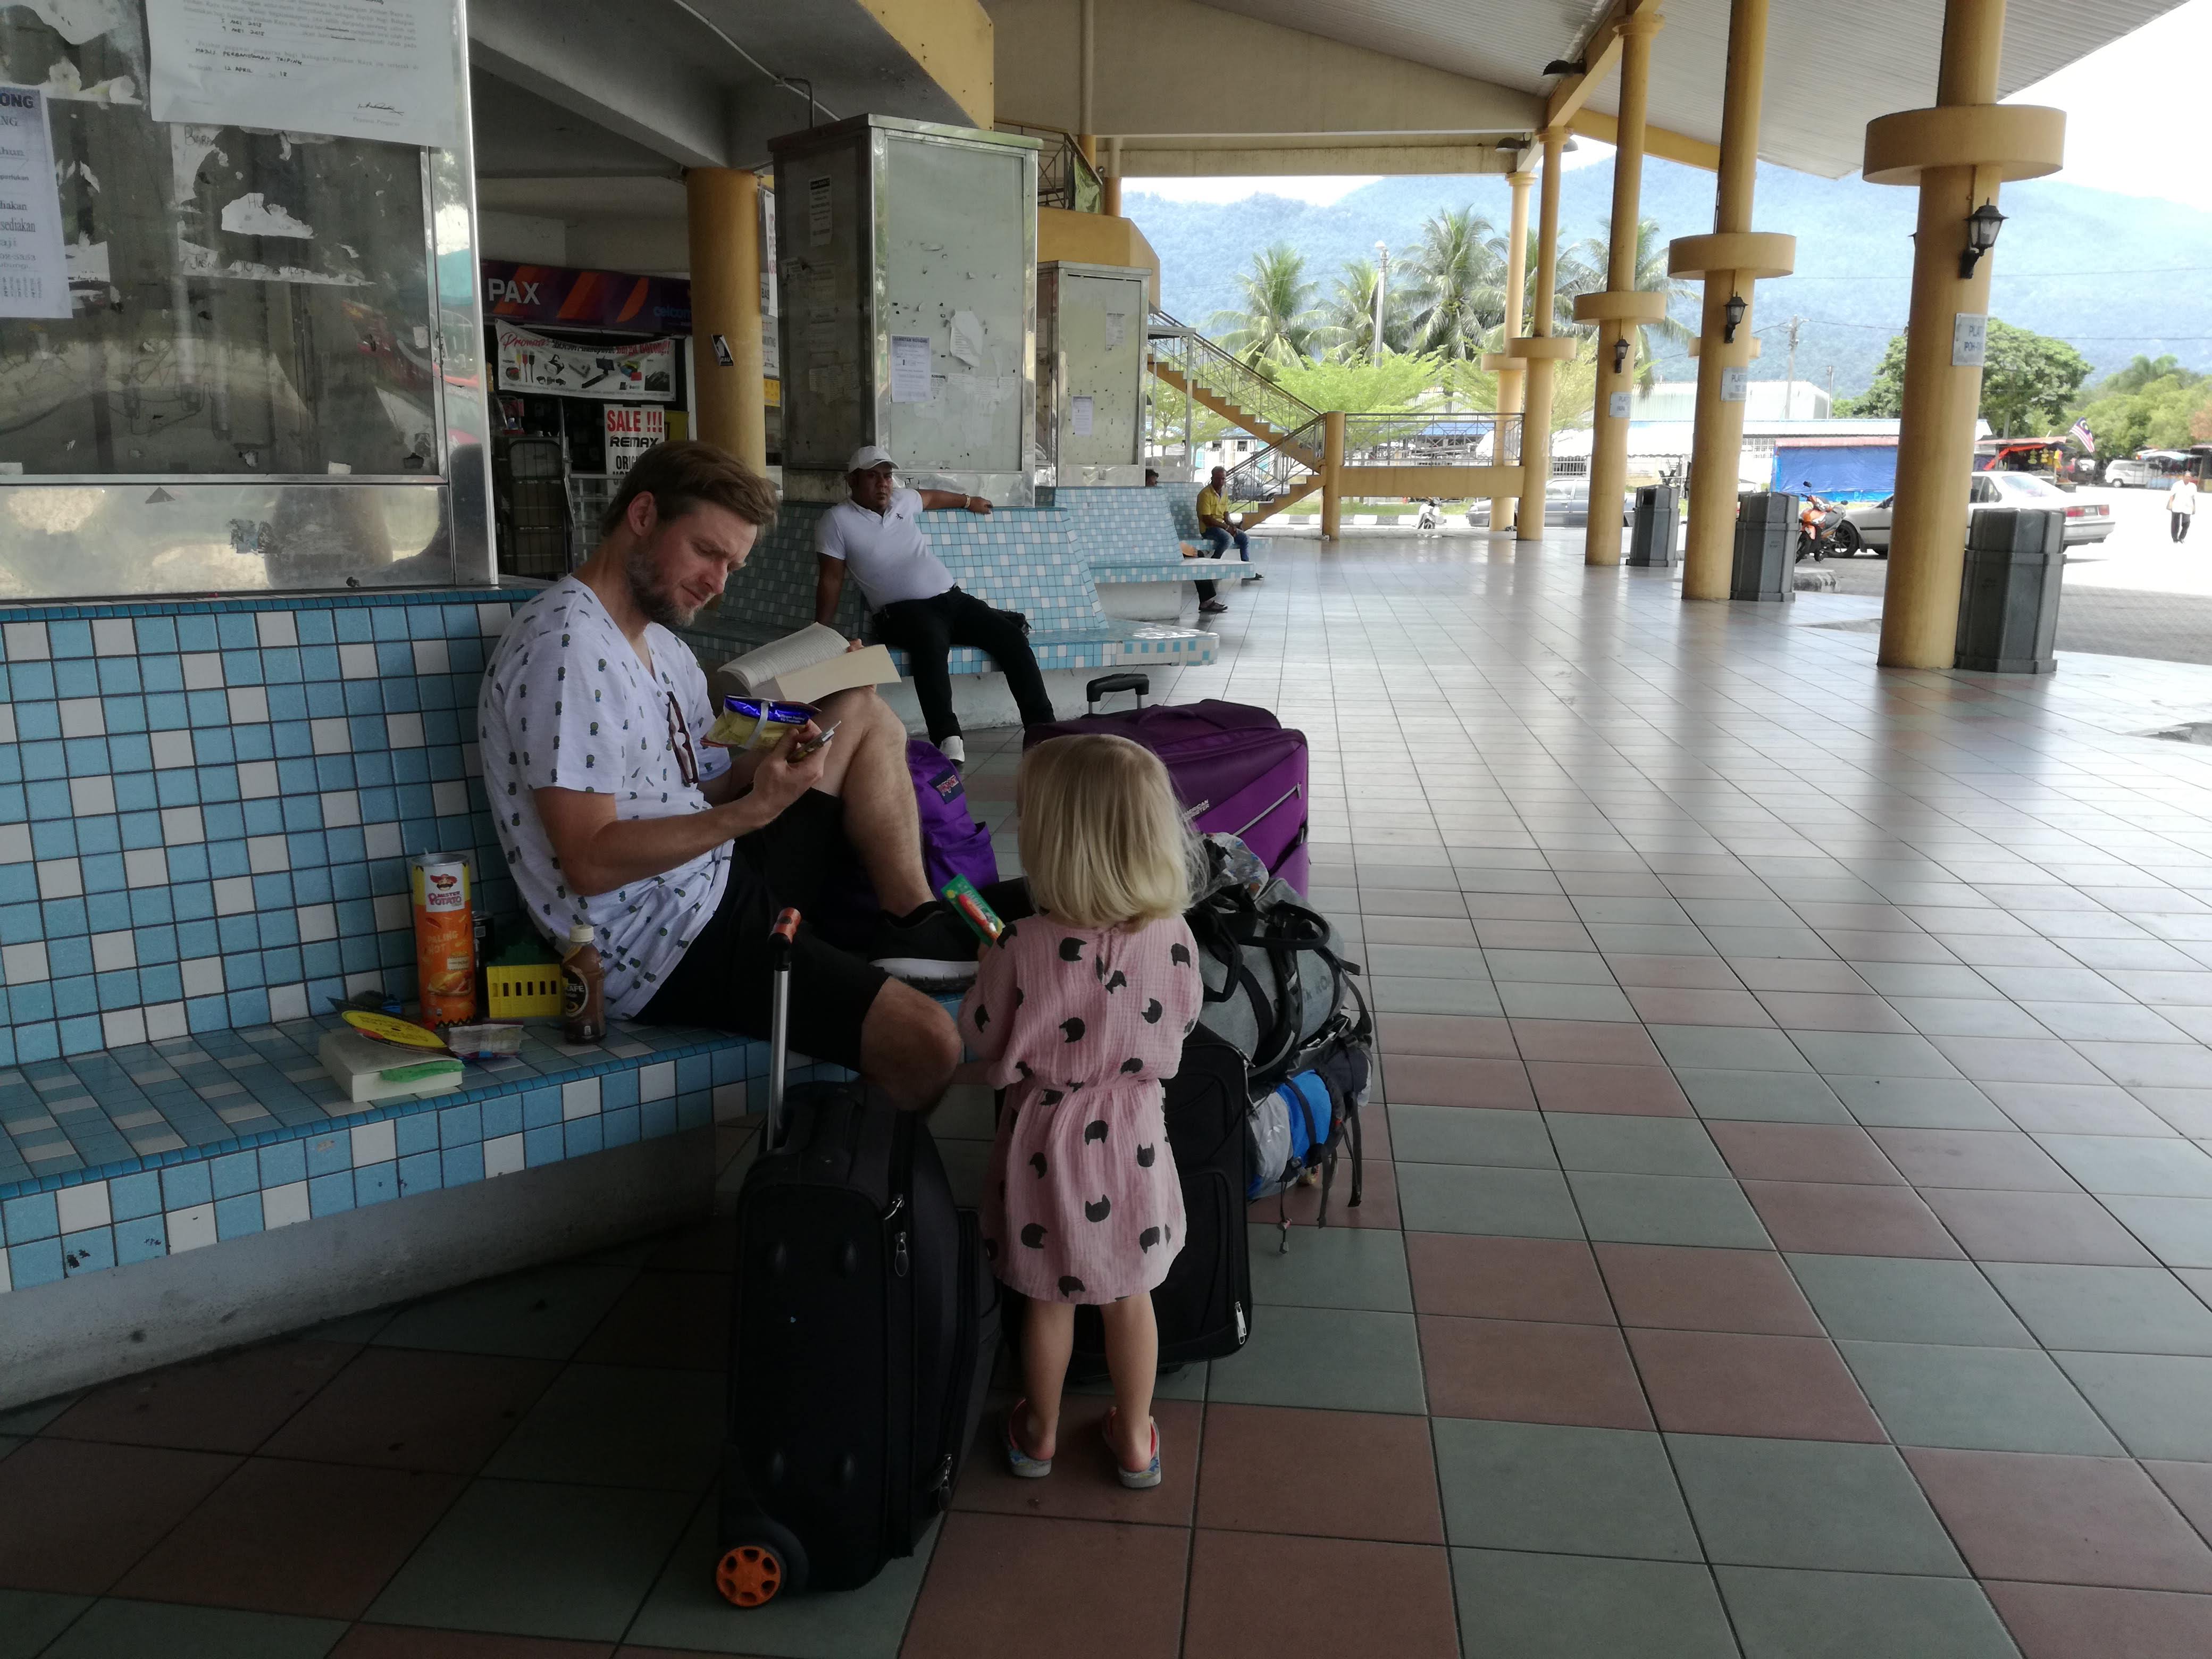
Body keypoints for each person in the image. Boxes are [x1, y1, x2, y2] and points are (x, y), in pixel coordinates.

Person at [477, 440, 976, 1112]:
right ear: (644, 515)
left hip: (717, 873)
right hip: (657, 943)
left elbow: (710, 778)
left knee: (861, 710)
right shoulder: (567, 654)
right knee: (928, 1042)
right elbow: (589, 864)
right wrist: (751, 812)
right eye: (708, 553)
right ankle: (850, 1191)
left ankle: (910, 924)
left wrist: (803, 714)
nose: (717, 583)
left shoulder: (664, 646)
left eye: (732, 566)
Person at [958, 734, 1203, 1490]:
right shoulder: (1175, 936)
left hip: (1045, 1143)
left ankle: (1038, 1433)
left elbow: (982, 1041)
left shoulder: (1021, 944)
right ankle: (1134, 1439)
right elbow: (1184, 1022)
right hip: (1135, 1137)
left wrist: (986, 975)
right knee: (1134, 1295)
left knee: (1047, 1296)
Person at [816, 446, 1054, 768]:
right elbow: (831, 579)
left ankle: (1044, 732)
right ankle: (948, 737)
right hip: (900, 612)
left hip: (951, 599)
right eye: (873, 476)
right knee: (931, 642)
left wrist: (969, 502)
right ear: (852, 480)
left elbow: (929, 497)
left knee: (1010, 637)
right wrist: (821, 632)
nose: (883, 483)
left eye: (887, 476)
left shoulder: (902, 500)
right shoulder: (836, 521)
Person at [1147, 465, 1226, 616]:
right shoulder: (1144, 504)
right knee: (1197, 557)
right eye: (1151, 484)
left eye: (1156, 484)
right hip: (1156, 547)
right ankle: (1206, 602)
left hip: (1168, 544)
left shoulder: (1155, 503)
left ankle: (1207, 601)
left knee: (1199, 555)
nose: (1155, 487)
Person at [1195, 465, 1261, 579]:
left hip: (1221, 526)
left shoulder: (1225, 492)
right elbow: (1207, 519)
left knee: (1245, 538)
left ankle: (1246, 570)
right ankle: (1213, 566)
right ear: (1212, 478)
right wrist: (1227, 528)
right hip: (1208, 528)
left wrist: (1233, 525)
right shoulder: (1205, 494)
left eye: (1223, 479)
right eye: (1218, 479)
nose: (1221, 481)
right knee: (1228, 539)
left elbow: (1225, 513)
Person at [2168, 473, 2198, 543]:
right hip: (2177, 505)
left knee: (2187, 523)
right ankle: (2175, 538)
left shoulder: (2193, 486)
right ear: (2183, 477)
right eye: (2186, 477)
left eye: (2189, 477)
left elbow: (2194, 498)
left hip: (2188, 507)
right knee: (2175, 523)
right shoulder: (2177, 484)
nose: (2188, 478)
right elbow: (2172, 495)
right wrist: (2170, 504)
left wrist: (2194, 508)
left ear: (2191, 478)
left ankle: (2182, 537)